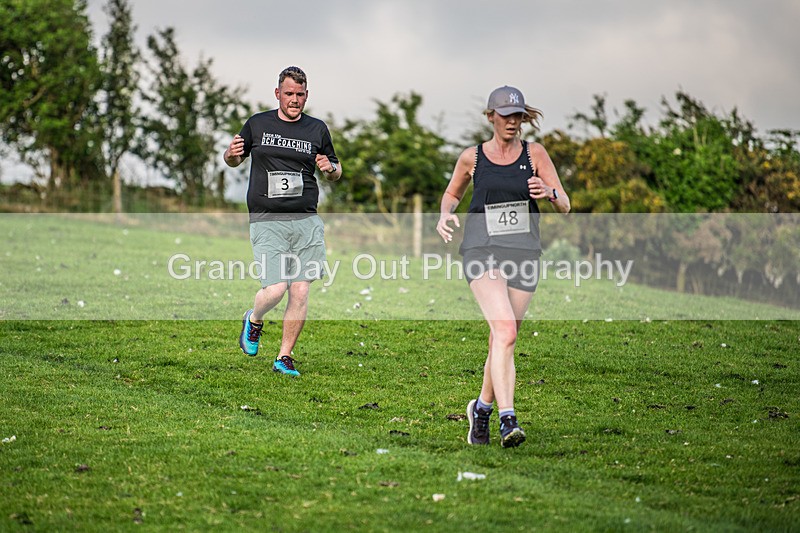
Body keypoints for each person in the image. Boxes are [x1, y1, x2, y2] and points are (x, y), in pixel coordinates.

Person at [436, 86, 570, 447]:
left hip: (524, 253)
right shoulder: (473, 158)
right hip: (482, 250)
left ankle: (480, 409)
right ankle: (507, 419)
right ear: (491, 116)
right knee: (507, 332)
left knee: (502, 338)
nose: (512, 122)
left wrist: (548, 192)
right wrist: (445, 215)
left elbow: (565, 204)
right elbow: (452, 193)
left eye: (518, 115)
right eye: (506, 115)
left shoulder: (535, 154)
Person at [224, 66, 341, 377]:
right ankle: (254, 318)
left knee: (300, 290)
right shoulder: (258, 124)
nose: (294, 99)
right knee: (276, 288)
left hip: (305, 219)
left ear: (306, 95)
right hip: (267, 219)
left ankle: (284, 357)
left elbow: (336, 170)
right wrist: (230, 154)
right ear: (278, 93)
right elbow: (235, 158)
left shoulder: (317, 130)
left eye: (300, 94)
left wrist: (330, 168)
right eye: (289, 93)